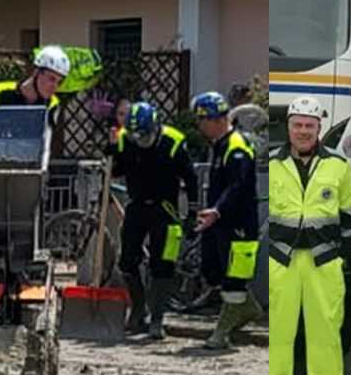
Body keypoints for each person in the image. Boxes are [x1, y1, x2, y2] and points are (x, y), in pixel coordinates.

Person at [267, 96, 351, 375]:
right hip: (281, 258)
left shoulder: (337, 164)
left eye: (310, 125)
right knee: (278, 327)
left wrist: (344, 255)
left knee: (326, 326)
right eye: (298, 125)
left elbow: (350, 215)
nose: (303, 131)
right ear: (287, 127)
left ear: (320, 128)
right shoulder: (271, 163)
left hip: (324, 258)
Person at [104, 101, 198, 339]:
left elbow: (191, 178)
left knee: (162, 265)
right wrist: (112, 149)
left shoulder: (173, 142)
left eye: (144, 136)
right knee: (127, 261)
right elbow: (115, 171)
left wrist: (193, 212)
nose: (140, 141)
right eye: (136, 136)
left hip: (164, 209)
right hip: (136, 206)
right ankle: (138, 308)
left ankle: (157, 319)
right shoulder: (126, 138)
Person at [190, 91, 263, 349]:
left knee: (234, 278)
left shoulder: (238, 146)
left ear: (217, 119)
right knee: (213, 270)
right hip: (219, 222)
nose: (201, 126)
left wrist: (217, 210)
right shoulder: (219, 145)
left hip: (239, 223)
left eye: (203, 120)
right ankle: (248, 307)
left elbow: (238, 186)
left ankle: (222, 331)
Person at [0, 45, 70, 109]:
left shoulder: (53, 104)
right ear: (36, 72)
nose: (55, 86)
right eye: (51, 79)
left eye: (60, 82)